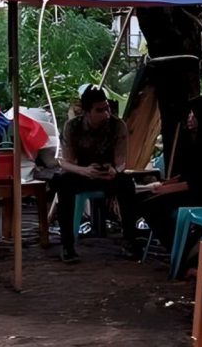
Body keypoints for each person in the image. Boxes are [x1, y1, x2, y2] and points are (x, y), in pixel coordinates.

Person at [51, 86, 140, 263]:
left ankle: (130, 241)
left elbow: (121, 160)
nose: (106, 114)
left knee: (127, 184)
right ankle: (67, 245)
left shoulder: (117, 125)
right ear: (87, 112)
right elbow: (65, 161)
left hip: (107, 174)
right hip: (82, 173)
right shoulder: (73, 126)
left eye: (107, 108)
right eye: (99, 110)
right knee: (62, 183)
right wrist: (84, 171)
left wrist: (114, 170)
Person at [139, 95, 202, 255]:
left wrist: (165, 190)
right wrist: (165, 184)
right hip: (191, 189)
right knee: (148, 200)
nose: (189, 118)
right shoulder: (195, 142)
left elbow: (198, 182)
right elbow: (186, 175)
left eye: (193, 115)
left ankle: (180, 249)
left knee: (153, 206)